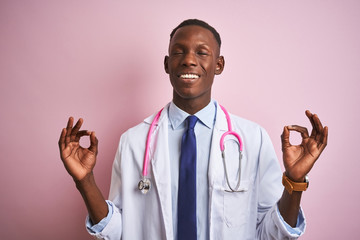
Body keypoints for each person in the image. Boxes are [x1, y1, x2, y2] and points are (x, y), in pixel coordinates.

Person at [58, 19, 328, 239]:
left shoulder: (252, 138)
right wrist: (85, 181)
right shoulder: (134, 141)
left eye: (202, 52)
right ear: (166, 65)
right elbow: (119, 231)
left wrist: (295, 181)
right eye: (179, 52)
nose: (189, 60)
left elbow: (270, 233)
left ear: (218, 65)